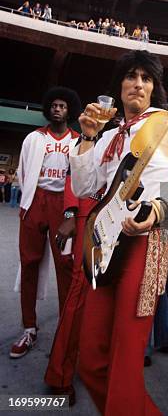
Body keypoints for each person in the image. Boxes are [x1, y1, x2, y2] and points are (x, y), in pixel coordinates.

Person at [69, 50, 168, 416]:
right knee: (91, 361)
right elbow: (85, 188)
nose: (138, 84)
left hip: (146, 243)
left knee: (126, 364)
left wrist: (160, 211)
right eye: (131, 76)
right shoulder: (109, 134)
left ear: (154, 88)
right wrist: (85, 137)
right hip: (103, 246)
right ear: (120, 85)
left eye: (146, 78)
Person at [10, 87, 81, 359]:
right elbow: (24, 170)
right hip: (36, 201)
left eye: (63, 106)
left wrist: (72, 214)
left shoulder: (77, 140)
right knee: (28, 262)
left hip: (63, 204)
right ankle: (29, 327)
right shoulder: (34, 138)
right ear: (47, 109)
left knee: (66, 265)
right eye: (54, 105)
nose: (57, 109)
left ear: (69, 110)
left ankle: (66, 329)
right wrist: (26, 204)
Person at [44, 173, 100, 405]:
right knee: (79, 294)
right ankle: (60, 374)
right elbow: (73, 177)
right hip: (88, 219)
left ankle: (97, 365)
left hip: (123, 220)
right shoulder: (90, 139)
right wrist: (70, 214)